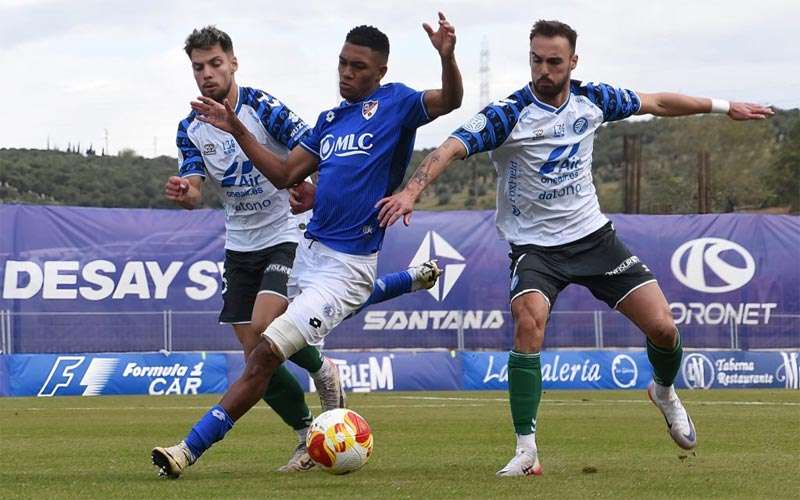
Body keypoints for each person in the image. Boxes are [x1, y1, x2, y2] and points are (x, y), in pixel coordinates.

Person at [376, 19, 773, 477]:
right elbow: (448, 148)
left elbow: (659, 102)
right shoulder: (508, 114)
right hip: (535, 250)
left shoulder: (594, 99)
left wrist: (725, 106)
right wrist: (411, 192)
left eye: (554, 62)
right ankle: (526, 451)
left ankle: (663, 391)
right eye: (536, 60)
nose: (543, 70)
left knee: (664, 329)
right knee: (529, 323)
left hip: (594, 239)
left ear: (573, 63)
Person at [152, 16, 462, 478]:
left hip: (344, 263)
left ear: (379, 71)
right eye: (342, 63)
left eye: (358, 67)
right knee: (259, 340)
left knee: (266, 351)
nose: (346, 73)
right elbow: (282, 174)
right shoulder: (330, 121)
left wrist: (447, 56)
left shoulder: (396, 102)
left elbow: (451, 100)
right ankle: (407, 285)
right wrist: (238, 132)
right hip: (309, 252)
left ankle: (188, 448)